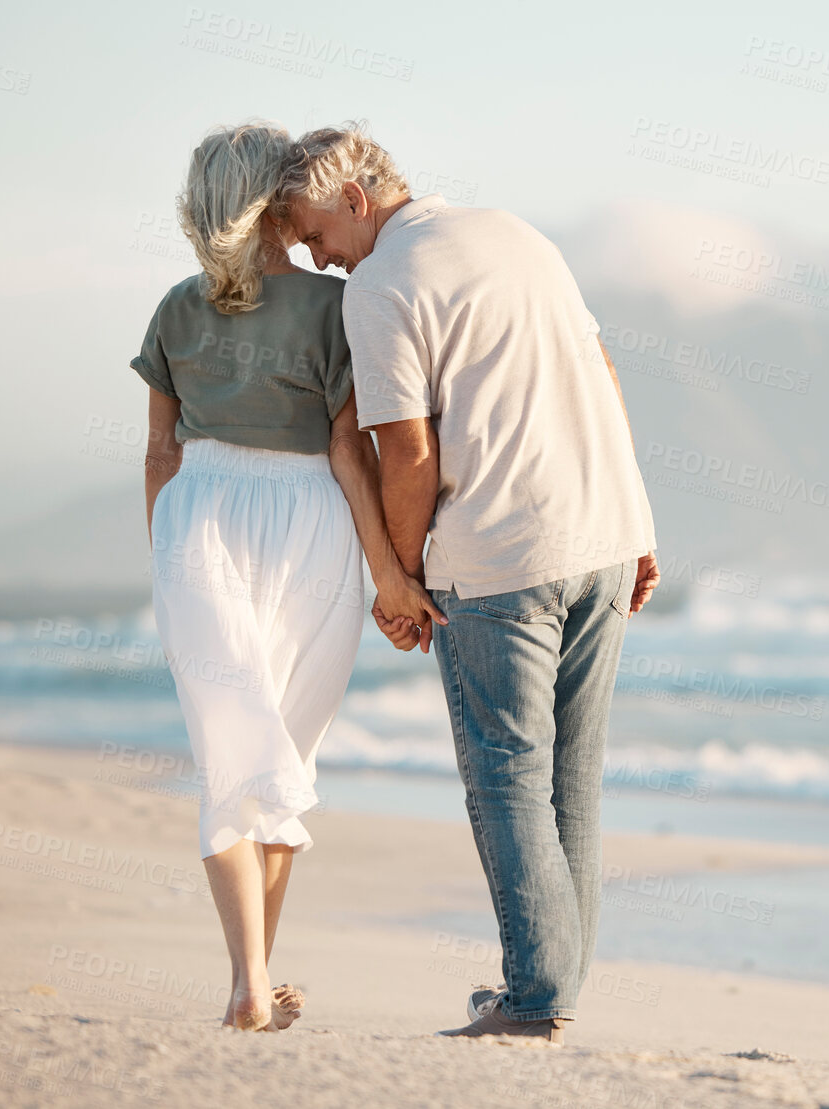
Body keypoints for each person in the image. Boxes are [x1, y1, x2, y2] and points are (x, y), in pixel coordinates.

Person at [275, 122, 660, 1045]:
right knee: (573, 780)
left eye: (311, 233)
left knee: (506, 778)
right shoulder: (517, 233)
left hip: (498, 558)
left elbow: (405, 449)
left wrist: (398, 578)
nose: (316, 258)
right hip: (602, 535)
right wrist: (637, 520)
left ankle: (532, 999)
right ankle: (550, 990)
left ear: (352, 199)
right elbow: (599, 374)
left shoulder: (379, 285)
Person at [133, 123, 443, 1032]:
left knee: (238, 757)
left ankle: (251, 980)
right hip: (312, 522)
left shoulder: (175, 308)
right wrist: (389, 572)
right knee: (281, 761)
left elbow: (159, 453)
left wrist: (167, 565)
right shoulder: (334, 306)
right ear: (278, 199)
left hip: (199, 521)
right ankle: (250, 983)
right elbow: (352, 453)